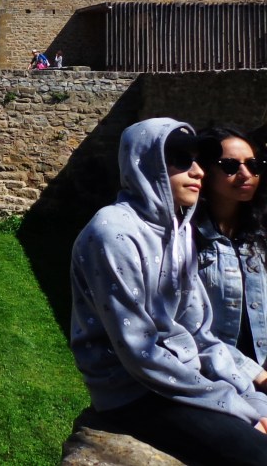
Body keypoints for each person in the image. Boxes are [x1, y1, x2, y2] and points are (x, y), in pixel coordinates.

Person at [70, 118, 267, 464]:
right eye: (180, 159)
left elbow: (199, 332)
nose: (198, 171)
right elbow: (140, 354)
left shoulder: (178, 230)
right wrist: (239, 409)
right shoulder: (112, 233)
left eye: (198, 160)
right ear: (144, 162)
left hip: (186, 377)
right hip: (134, 392)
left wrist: (249, 392)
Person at [195, 127, 267, 368]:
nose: (246, 174)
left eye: (254, 165)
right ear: (205, 170)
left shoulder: (260, 233)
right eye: (230, 166)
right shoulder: (187, 237)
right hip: (215, 372)